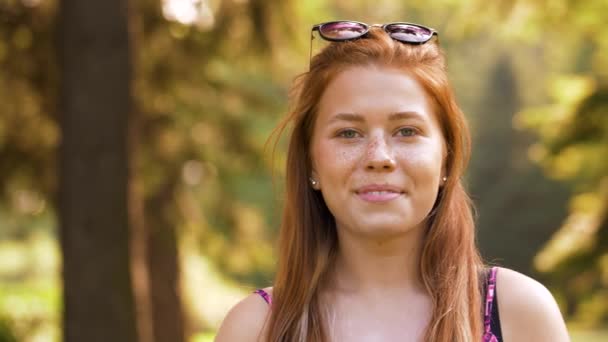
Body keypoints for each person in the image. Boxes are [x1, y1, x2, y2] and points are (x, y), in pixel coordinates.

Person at [215, 21, 570, 342]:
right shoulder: (256, 328)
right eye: (349, 133)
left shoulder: (519, 313)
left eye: (406, 131)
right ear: (311, 164)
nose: (379, 157)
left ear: (446, 157)